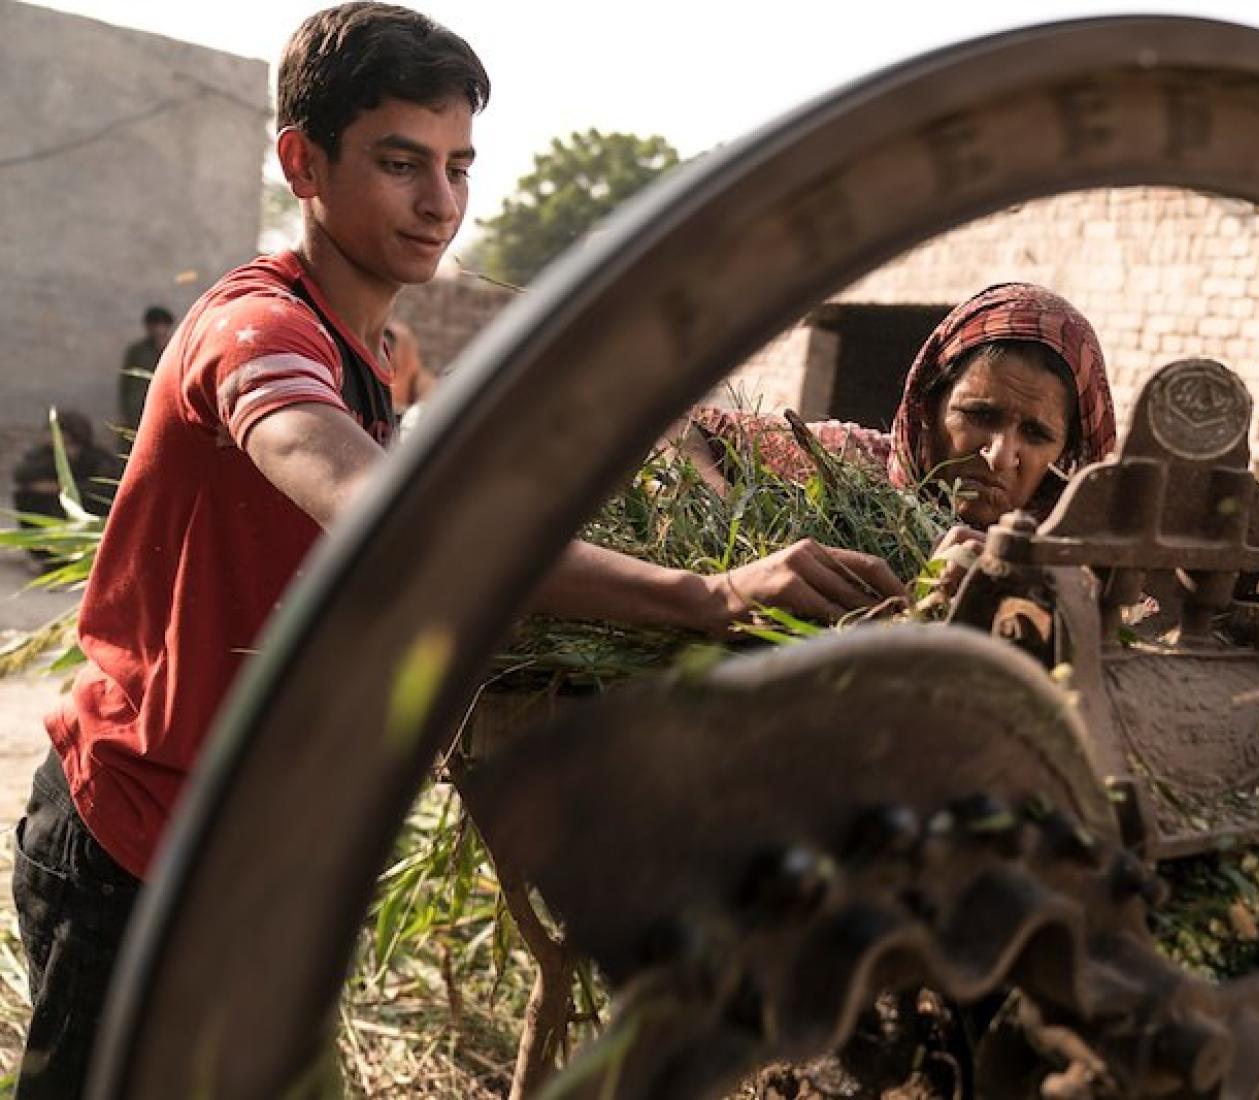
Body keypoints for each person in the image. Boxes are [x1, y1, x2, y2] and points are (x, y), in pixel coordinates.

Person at [8, 6, 899, 1097]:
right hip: (137, 853)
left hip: (260, 864)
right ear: (304, 161)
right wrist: (707, 592)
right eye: (400, 163)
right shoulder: (255, 330)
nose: (441, 202)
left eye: (459, 165)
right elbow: (400, 521)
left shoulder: (372, 353)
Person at [688, 283, 1117, 568]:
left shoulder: (1078, 556)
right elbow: (677, 428)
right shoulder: (848, 468)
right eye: (980, 416)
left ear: (1067, 451)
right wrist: (727, 513)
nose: (1000, 455)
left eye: (1036, 434)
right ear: (927, 407)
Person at [10, 409, 123, 525]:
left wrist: (62, 488)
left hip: (87, 505)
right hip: (49, 506)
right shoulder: (45, 453)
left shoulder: (96, 457)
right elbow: (22, 474)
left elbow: (106, 486)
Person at [118, 305, 174, 430]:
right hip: (139, 407)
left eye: (162, 325)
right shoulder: (137, 351)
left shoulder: (175, 347)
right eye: (155, 325)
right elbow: (126, 382)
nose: (158, 330)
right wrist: (125, 411)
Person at [384, 317, 437, 415]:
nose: (388, 353)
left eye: (391, 348)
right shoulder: (379, 376)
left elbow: (428, 408)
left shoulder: (421, 381)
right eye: (384, 347)